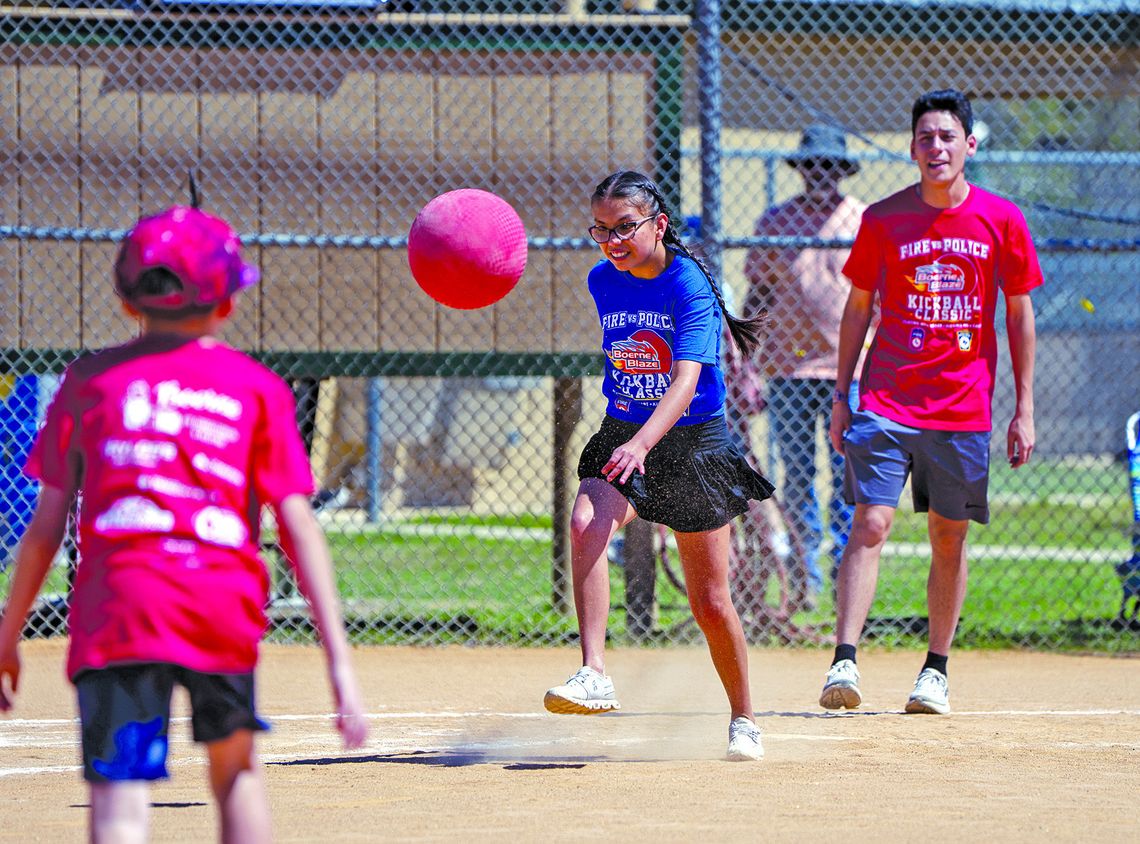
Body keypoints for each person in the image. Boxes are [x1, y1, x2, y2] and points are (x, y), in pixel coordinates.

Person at [0, 204, 368, 842]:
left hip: (118, 607)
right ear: (227, 304)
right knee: (235, 774)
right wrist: (338, 660)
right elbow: (298, 527)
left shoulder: (86, 382)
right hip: (218, 602)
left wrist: (7, 638)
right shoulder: (256, 388)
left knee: (119, 794)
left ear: (126, 300)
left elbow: (44, 531)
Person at [819, 89, 1041, 715]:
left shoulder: (1002, 220)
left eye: (947, 137)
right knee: (871, 521)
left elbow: (1020, 317)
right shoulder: (885, 219)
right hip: (887, 398)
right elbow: (858, 307)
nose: (936, 147)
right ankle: (844, 659)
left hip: (963, 408)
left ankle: (934, 670)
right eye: (925, 137)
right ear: (912, 147)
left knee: (950, 535)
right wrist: (843, 395)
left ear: (969, 145)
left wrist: (1023, 408)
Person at [542, 170, 775, 761]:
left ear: (659, 224)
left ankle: (744, 717)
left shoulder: (689, 283)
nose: (612, 241)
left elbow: (686, 380)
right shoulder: (603, 280)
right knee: (587, 520)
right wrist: (635, 440)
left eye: (625, 228)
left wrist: (645, 444)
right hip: (626, 431)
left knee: (709, 600)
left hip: (692, 441)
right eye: (601, 230)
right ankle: (594, 671)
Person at [741, 124, 869, 614]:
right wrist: (746, 364)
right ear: (801, 169)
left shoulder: (860, 220)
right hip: (789, 372)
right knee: (796, 476)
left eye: (830, 166)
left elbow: (879, 297)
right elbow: (758, 295)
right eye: (812, 164)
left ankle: (846, 579)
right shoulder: (776, 221)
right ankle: (804, 581)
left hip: (848, 374)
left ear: (841, 171)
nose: (821, 173)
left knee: (847, 478)